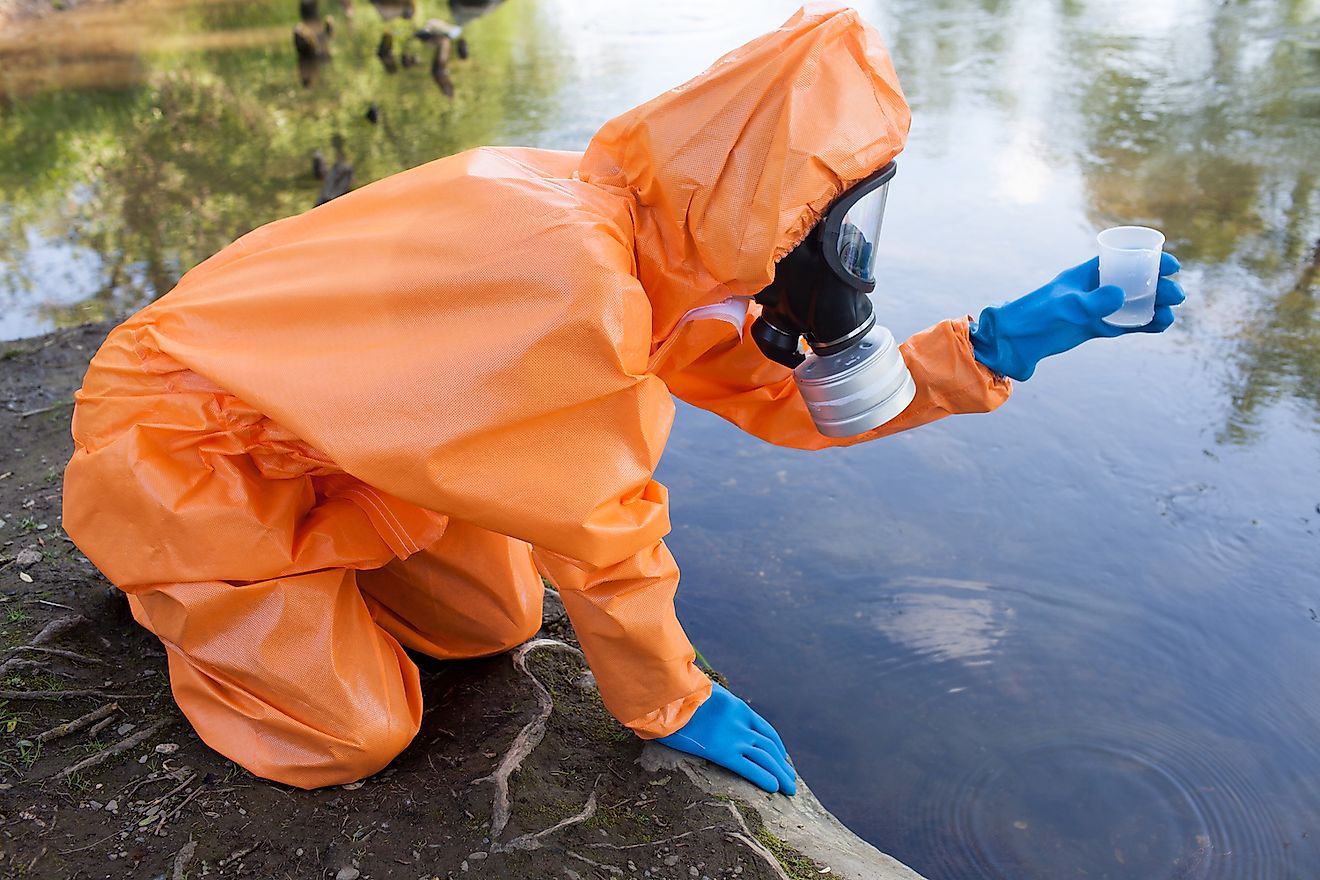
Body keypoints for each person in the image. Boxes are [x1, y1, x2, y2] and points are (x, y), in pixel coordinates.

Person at [63, 4, 1183, 795]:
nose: (845, 254)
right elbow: (605, 533)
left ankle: (293, 591)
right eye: (836, 220)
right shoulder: (579, 281)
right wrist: (670, 699)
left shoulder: (668, 243)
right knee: (353, 733)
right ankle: (183, 593)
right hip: (191, 442)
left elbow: (793, 398)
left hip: (331, 439)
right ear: (768, 202)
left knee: (495, 624)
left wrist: (1003, 341)